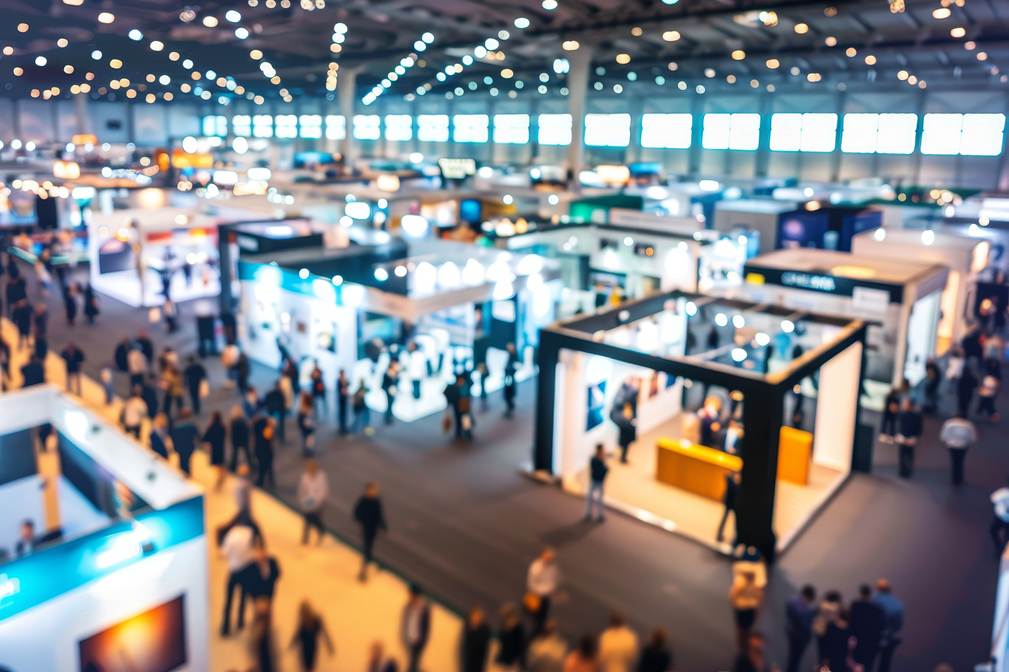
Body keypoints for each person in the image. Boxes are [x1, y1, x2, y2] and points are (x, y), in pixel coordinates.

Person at [219, 516, 257, 636]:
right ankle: (240, 621)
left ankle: (226, 627)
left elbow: (224, 553)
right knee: (243, 597)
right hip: (246, 570)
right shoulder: (250, 533)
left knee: (229, 600)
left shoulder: (231, 535)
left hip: (234, 570)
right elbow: (253, 550)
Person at [353, 481, 388, 582]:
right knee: (367, 548)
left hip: (373, 529)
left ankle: (368, 565)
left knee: (368, 547)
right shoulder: (363, 500)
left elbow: (379, 515)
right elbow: (356, 512)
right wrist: (362, 520)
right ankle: (364, 571)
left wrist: (383, 525)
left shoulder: (376, 501)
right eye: (372, 490)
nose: (374, 492)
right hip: (366, 528)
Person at [288, 600, 335, 672]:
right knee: (307, 667)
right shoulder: (304, 623)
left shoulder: (316, 620)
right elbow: (297, 635)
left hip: (311, 648)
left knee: (309, 667)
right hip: (305, 649)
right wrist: (291, 645)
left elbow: (325, 633)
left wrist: (329, 645)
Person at [849, 584, 885, 670]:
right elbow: (880, 626)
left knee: (858, 665)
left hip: (858, 640)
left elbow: (851, 623)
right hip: (871, 641)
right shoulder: (876, 608)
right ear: (870, 594)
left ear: (861, 593)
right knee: (869, 665)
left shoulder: (855, 606)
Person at [526, 548, 560, 635]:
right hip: (536, 597)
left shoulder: (553, 568)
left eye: (551, 559)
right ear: (542, 556)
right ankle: (535, 633)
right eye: (548, 558)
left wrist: (551, 590)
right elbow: (532, 585)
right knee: (535, 618)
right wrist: (546, 590)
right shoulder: (535, 568)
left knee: (543, 617)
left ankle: (539, 631)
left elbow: (554, 581)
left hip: (546, 597)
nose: (549, 560)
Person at [729, 568, 764, 652]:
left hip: (748, 609)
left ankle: (744, 643)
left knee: (746, 627)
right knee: (742, 628)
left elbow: (758, 596)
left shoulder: (753, 583)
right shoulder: (740, 582)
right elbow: (733, 596)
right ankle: (742, 644)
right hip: (743, 609)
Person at [812, 590, 847, 671]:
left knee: (822, 657)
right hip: (830, 633)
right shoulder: (836, 607)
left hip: (821, 632)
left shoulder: (823, 605)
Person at [874, 579, 904, 672]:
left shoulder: (875, 601)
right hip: (890, 638)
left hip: (875, 637)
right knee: (885, 664)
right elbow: (899, 624)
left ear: (878, 589)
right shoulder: (897, 603)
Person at [784, 584, 816, 672]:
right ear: (808, 596)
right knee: (794, 660)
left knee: (793, 660)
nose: (809, 603)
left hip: (794, 635)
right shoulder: (798, 605)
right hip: (799, 636)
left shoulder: (792, 602)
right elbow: (802, 620)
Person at [400, 583, 431, 672]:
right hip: (408, 640)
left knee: (413, 663)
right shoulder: (408, 607)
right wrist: (404, 638)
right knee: (411, 662)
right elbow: (405, 623)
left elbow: (426, 628)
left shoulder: (424, 609)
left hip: (418, 642)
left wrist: (422, 641)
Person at [298, 459, 329, 545]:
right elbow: (302, 489)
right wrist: (302, 499)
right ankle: (308, 536)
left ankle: (319, 531)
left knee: (315, 517)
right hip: (309, 500)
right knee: (307, 518)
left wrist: (320, 501)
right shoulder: (305, 477)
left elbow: (324, 490)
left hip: (319, 500)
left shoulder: (321, 477)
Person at [940, 412, 977, 485]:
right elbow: (973, 437)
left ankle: (954, 478)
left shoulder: (949, 424)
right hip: (963, 445)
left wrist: (946, 442)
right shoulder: (968, 425)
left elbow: (944, 435)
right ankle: (959, 478)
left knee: (954, 461)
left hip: (952, 445)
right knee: (960, 461)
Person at [895, 398, 923, 478]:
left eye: (905, 404)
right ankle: (903, 471)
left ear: (910, 405)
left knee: (908, 455)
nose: (904, 406)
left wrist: (915, 437)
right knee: (903, 454)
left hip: (910, 438)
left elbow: (919, 427)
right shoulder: (902, 414)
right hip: (903, 437)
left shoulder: (916, 415)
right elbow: (899, 425)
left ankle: (907, 471)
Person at [496, 603, 527, 671]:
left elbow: (521, 645)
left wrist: (520, 661)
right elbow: (501, 641)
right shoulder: (503, 626)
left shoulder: (518, 627)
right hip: (504, 659)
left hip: (513, 661)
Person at [461, 606, 492, 672]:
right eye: (474, 616)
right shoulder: (468, 627)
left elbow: (483, 650)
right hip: (467, 661)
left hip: (478, 663)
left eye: (478, 616)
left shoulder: (485, 631)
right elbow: (465, 646)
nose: (475, 618)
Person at [169, 409, 199, 476]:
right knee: (187, 461)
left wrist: (174, 445)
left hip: (180, 447)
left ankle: (182, 473)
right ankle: (187, 473)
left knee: (181, 460)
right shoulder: (191, 426)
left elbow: (172, 436)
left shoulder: (176, 425)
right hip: (189, 447)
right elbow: (197, 436)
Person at [203, 411, 227, 491]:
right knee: (220, 463)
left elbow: (206, 437)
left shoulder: (211, 427)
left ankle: (220, 478)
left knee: (216, 464)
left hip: (214, 448)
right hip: (221, 447)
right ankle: (222, 475)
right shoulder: (222, 426)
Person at [586, 443, 608, 523]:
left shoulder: (599, 459)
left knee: (598, 499)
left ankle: (598, 515)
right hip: (596, 480)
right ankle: (590, 513)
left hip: (598, 481)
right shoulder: (596, 460)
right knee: (592, 498)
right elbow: (598, 471)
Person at [253, 415, 277, 488]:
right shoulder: (267, 430)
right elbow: (269, 437)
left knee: (263, 467)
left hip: (261, 451)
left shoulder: (257, 429)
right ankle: (269, 481)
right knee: (267, 467)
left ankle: (262, 481)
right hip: (266, 451)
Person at [717, 471, 740, 545]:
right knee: (725, 519)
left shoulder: (736, 483)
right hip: (730, 503)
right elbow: (727, 477)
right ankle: (719, 535)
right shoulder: (731, 481)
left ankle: (735, 539)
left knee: (736, 522)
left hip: (735, 504)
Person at [229, 405, 253, 472]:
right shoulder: (243, 421)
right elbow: (248, 431)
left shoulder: (233, 422)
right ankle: (251, 465)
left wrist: (232, 440)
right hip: (244, 440)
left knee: (235, 455)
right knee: (247, 454)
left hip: (236, 441)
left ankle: (233, 467)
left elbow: (232, 433)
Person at [297, 392, 316, 456]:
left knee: (307, 439)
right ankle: (307, 451)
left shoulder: (303, 408)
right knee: (308, 439)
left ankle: (307, 450)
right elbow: (301, 419)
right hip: (307, 427)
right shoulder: (304, 409)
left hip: (307, 427)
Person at [992, 480, 1009, 552]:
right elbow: (994, 498)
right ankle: (1000, 547)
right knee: (993, 530)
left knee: (1006, 537)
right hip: (1002, 517)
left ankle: (1002, 549)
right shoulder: (1005, 493)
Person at [382, 360, 399, 425]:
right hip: (388, 392)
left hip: (393, 392)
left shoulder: (396, 373)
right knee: (389, 405)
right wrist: (388, 389)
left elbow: (396, 382)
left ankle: (389, 416)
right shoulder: (387, 374)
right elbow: (384, 384)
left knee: (391, 404)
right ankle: (387, 418)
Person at [337, 368, 350, 435]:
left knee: (344, 414)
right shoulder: (339, 380)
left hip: (343, 399)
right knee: (342, 414)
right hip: (342, 399)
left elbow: (348, 385)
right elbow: (341, 390)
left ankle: (343, 427)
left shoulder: (343, 380)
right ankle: (342, 428)